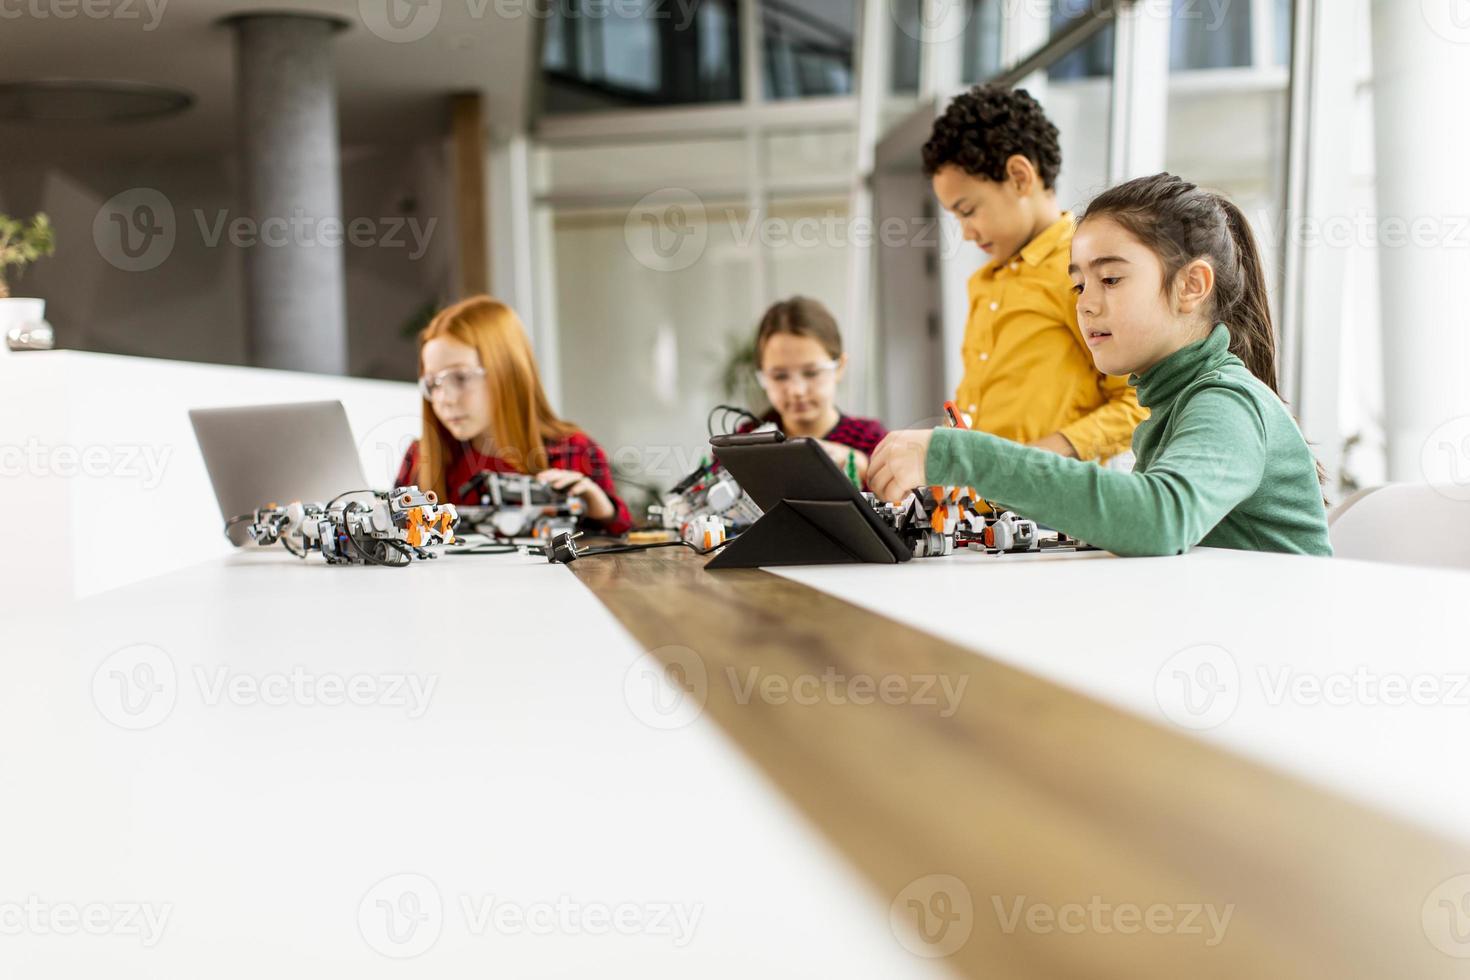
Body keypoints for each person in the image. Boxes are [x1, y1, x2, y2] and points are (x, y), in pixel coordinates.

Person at [868, 173, 1332, 558]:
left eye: (1110, 278)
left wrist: (960, 455)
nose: (1086, 305)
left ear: (1191, 285)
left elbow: (1157, 519)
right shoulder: (1175, 400)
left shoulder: (1227, 402)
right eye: (1079, 286)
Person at [924, 83, 1146, 460]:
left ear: (1019, 176)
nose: (965, 232)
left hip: (1050, 507)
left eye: (967, 210)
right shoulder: (985, 283)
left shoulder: (1080, 272)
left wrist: (1035, 461)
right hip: (986, 502)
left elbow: (1138, 402)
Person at [395, 295, 633, 535]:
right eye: (433, 384)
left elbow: (620, 547)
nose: (444, 399)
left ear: (508, 373)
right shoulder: (420, 458)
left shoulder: (575, 452)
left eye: (460, 377)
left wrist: (602, 510)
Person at [736, 296, 886, 486]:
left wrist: (864, 468)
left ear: (839, 367)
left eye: (811, 373)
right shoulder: (747, 440)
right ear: (763, 377)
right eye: (780, 376)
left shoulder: (870, 440)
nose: (796, 390)